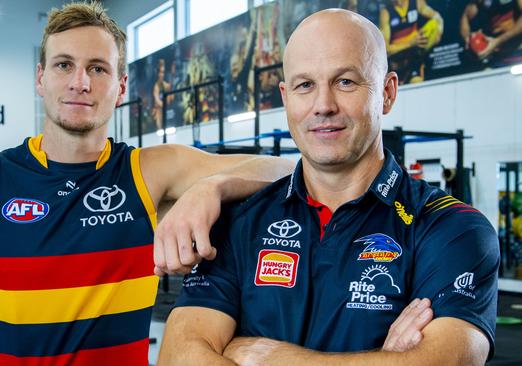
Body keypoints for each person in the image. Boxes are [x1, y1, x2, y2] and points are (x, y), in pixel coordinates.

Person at [0, 2, 294, 365]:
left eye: (98, 68)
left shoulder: (149, 172)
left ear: (121, 85)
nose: (80, 82)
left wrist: (213, 186)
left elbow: (282, 168)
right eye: (63, 65)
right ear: (40, 78)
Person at [159, 8, 498, 366]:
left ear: (387, 93)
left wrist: (268, 358)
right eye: (305, 85)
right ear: (286, 97)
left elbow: (446, 361)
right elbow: (178, 357)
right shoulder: (238, 223)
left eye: (345, 82)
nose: (324, 105)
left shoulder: (452, 229)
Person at [379, 0, 444, 83]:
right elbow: (386, 50)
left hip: (414, 59)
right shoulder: (386, 13)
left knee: (417, 83)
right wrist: (410, 43)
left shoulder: (416, 2)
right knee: (396, 92)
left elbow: (437, 19)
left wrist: (438, 32)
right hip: (397, 63)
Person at [460, 0, 522, 65]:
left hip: (519, 50)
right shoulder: (476, 5)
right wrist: (468, 39)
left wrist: (498, 40)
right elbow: (466, 16)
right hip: (499, 57)